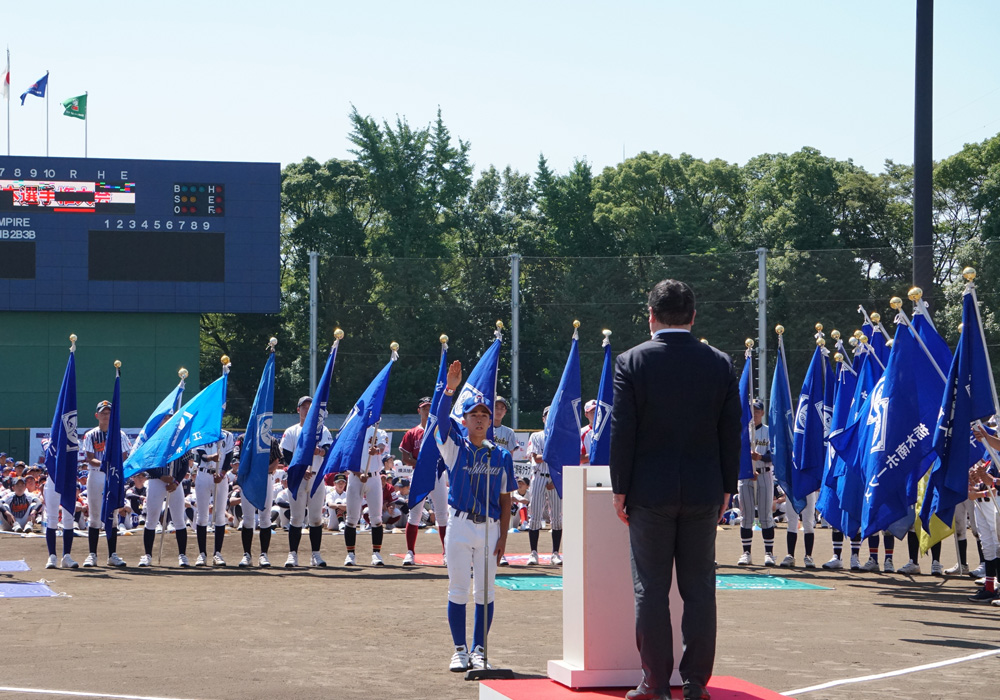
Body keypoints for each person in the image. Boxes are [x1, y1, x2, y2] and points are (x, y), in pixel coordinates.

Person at [610, 279, 741, 700]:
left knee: (650, 588)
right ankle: (696, 682)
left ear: (651, 316)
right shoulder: (720, 363)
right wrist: (726, 486)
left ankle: (654, 682)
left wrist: (619, 488)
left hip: (649, 492)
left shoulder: (631, 362)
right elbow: (730, 431)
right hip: (704, 492)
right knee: (700, 588)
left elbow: (622, 431)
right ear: (693, 317)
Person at [435, 361, 515, 673]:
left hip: (490, 529)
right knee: (457, 588)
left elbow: (506, 499)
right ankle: (460, 650)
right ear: (465, 420)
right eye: (474, 415)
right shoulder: (455, 447)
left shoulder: (502, 455)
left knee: (485, 591)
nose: (480, 419)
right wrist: (450, 388)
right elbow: (441, 422)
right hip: (460, 524)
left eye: (484, 415)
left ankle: (480, 650)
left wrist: (504, 538)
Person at [279, 396, 333, 568]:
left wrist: (319, 451)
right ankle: (292, 554)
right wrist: (300, 470)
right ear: (298, 410)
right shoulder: (292, 431)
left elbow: (328, 449)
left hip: (316, 477)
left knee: (316, 518)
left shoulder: (322, 430)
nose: (307, 410)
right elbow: (286, 456)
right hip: (298, 478)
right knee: (296, 518)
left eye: (310, 407)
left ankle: (315, 554)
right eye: (304, 407)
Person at [81, 400, 133, 567]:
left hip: (114, 476)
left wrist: (114, 465)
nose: (106, 415)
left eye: (109, 412)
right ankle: (92, 555)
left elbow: (126, 456)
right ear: (97, 415)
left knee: (114, 515)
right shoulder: (91, 435)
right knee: (95, 517)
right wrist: (106, 463)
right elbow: (90, 458)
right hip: (97, 475)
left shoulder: (120, 434)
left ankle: (112, 555)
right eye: (103, 412)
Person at [399, 396, 449, 566]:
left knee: (442, 514)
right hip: (419, 474)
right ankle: (410, 553)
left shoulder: (439, 431)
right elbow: (405, 457)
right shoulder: (412, 432)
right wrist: (420, 465)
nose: (427, 410)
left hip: (437, 475)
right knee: (414, 514)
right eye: (424, 407)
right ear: (419, 410)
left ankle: (446, 553)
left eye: (430, 407)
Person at [343, 424, 390, 566]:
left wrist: (377, 450)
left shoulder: (379, 431)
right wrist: (358, 473)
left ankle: (376, 554)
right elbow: (347, 456)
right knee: (351, 518)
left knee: (376, 518)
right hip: (355, 476)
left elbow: (382, 446)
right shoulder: (353, 430)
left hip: (374, 477)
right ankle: (350, 554)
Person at [736, 400, 776, 567]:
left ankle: (769, 553)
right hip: (746, 476)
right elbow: (734, 454)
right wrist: (746, 468)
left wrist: (761, 458)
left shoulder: (768, 431)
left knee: (766, 516)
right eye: (751, 410)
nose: (754, 413)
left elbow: (775, 455)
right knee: (746, 517)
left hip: (764, 474)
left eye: (757, 410)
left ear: (763, 412)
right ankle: (746, 553)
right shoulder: (742, 431)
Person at [138, 454, 193, 568]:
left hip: (175, 480)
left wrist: (177, 482)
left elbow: (185, 464)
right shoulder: (155, 438)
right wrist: (161, 476)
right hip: (155, 480)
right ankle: (147, 555)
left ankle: (182, 555)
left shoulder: (181, 438)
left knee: (179, 520)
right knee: (151, 520)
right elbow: (147, 462)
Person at [238, 437, 284, 568]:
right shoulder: (244, 438)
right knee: (247, 518)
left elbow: (276, 461)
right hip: (248, 479)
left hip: (265, 478)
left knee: (265, 516)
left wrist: (260, 471)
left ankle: (264, 554)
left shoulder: (271, 440)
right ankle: (247, 554)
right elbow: (238, 460)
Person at [525, 407, 562, 566]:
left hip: (555, 477)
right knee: (534, 516)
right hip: (539, 476)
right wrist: (552, 454)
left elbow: (563, 460)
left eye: (553, 415)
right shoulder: (537, 436)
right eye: (548, 415)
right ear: (543, 418)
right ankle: (533, 552)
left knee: (557, 518)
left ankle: (555, 553)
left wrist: (557, 478)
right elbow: (536, 458)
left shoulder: (561, 437)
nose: (550, 418)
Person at [192, 430, 236, 566]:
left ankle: (217, 553)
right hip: (203, 474)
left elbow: (229, 457)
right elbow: (201, 456)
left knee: (220, 515)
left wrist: (222, 474)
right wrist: (212, 457)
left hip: (220, 477)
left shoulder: (227, 435)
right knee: (202, 515)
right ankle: (202, 554)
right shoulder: (202, 432)